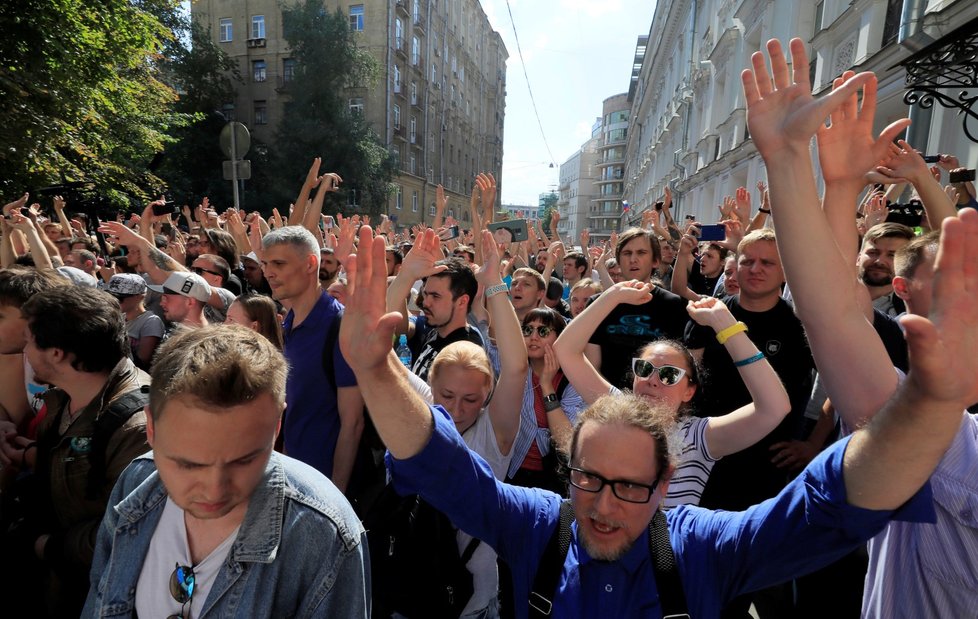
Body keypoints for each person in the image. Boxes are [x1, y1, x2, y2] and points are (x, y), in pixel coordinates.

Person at [336, 217, 976, 619]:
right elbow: (445, 468)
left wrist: (930, 402)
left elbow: (829, 505)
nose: (604, 506)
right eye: (588, 480)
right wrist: (374, 368)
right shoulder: (538, 525)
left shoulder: (704, 547)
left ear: (668, 483)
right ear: (570, 467)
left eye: (631, 487)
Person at [745, 38, 978, 617]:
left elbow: (835, 313)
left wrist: (798, 164)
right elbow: (836, 312)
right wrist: (809, 171)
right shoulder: (955, 446)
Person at [83, 325, 369, 617]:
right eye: (188, 463)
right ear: (152, 428)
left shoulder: (323, 533)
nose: (214, 489)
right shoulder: (136, 481)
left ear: (276, 427)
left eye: (244, 460)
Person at [556, 282, 790, 508]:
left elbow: (774, 408)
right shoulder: (615, 407)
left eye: (669, 375)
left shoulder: (698, 437)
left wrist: (726, 324)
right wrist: (613, 295)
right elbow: (565, 350)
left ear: (689, 391)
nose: (653, 381)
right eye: (644, 369)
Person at [0, 286, 150, 618]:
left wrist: (46, 546)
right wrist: (30, 454)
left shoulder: (138, 428)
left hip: (95, 595)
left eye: (29, 340)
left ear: (56, 353)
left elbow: (127, 530)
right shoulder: (65, 396)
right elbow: (79, 466)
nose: (24, 350)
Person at [261, 226, 363, 492]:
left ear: (310, 264)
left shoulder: (340, 327)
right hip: (292, 474)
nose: (268, 272)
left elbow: (352, 423)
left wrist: (334, 500)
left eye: (279, 263)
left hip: (323, 487)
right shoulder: (290, 322)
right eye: (265, 264)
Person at [586, 227, 689, 389]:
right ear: (618, 261)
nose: (633, 259)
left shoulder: (673, 305)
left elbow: (675, 365)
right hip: (607, 401)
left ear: (655, 261)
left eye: (641, 253)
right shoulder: (598, 304)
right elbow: (592, 365)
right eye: (627, 253)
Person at [506, 308, 586, 495]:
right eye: (527, 330)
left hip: (551, 479)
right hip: (510, 471)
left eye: (542, 331)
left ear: (559, 339)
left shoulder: (572, 381)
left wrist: (546, 386)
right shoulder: (513, 369)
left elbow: (566, 439)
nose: (533, 336)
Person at [105, 273, 164, 370]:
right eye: (110, 296)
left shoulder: (151, 322)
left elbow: (142, 361)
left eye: (119, 298)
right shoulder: (117, 317)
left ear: (140, 296)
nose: (113, 301)